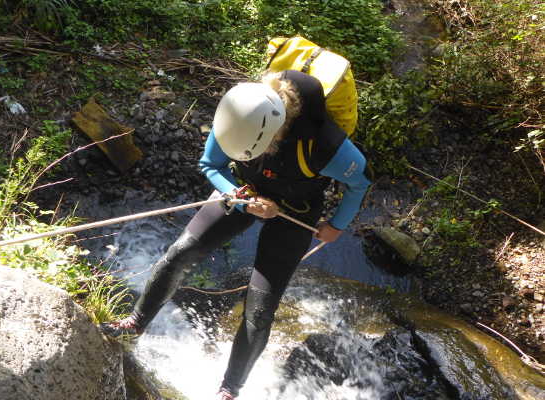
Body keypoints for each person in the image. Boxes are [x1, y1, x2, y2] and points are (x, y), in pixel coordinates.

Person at [101, 70, 370, 399]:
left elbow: (360, 182)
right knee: (180, 253)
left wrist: (337, 225)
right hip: (244, 192)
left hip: (295, 212)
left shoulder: (325, 146)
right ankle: (135, 324)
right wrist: (240, 198)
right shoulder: (239, 113)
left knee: (260, 307)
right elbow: (210, 164)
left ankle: (230, 388)